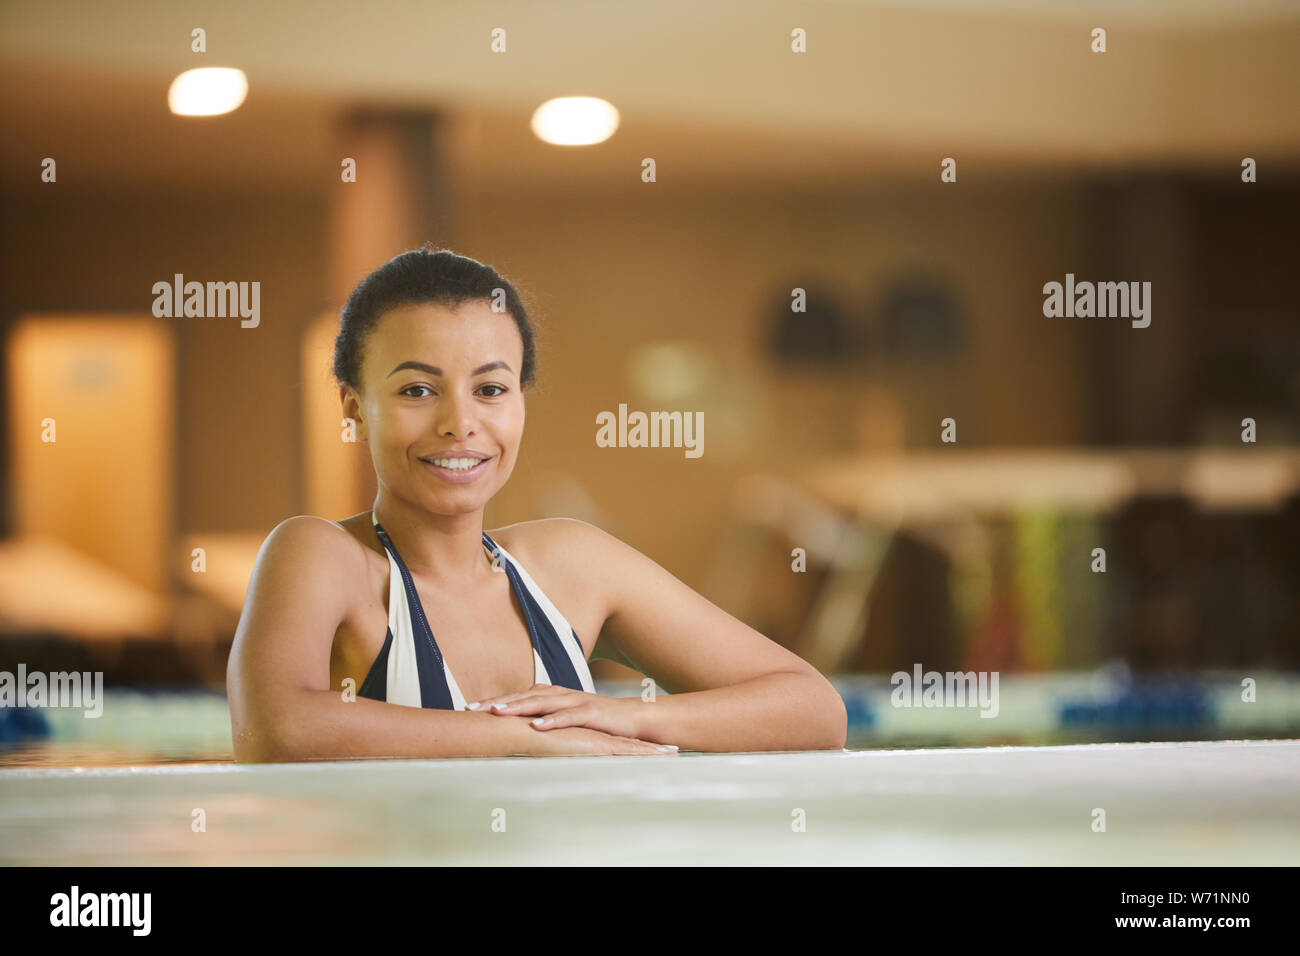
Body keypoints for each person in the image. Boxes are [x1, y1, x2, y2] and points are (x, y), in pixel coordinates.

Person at [226, 247, 847, 761]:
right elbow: (274, 730)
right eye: (418, 390)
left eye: (490, 389)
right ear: (355, 407)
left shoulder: (570, 564)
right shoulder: (322, 557)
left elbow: (814, 710)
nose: (460, 423)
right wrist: (526, 739)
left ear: (521, 400)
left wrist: (621, 719)